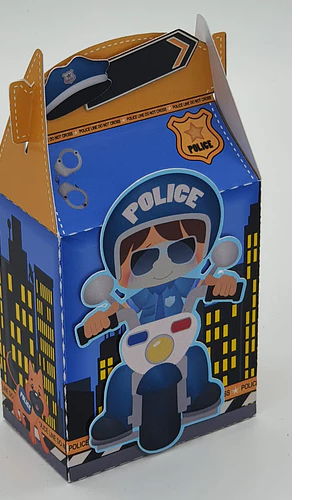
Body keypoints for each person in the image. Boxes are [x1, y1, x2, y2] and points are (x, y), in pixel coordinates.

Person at [78, 170, 240, 453]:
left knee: (196, 356)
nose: (162, 265)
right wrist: (99, 319)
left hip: (180, 344)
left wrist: (224, 284)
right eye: (143, 259)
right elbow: (119, 307)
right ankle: (116, 419)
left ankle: (200, 394)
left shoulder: (185, 284)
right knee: (121, 377)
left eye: (180, 249)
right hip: (141, 353)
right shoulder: (138, 295)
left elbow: (204, 285)